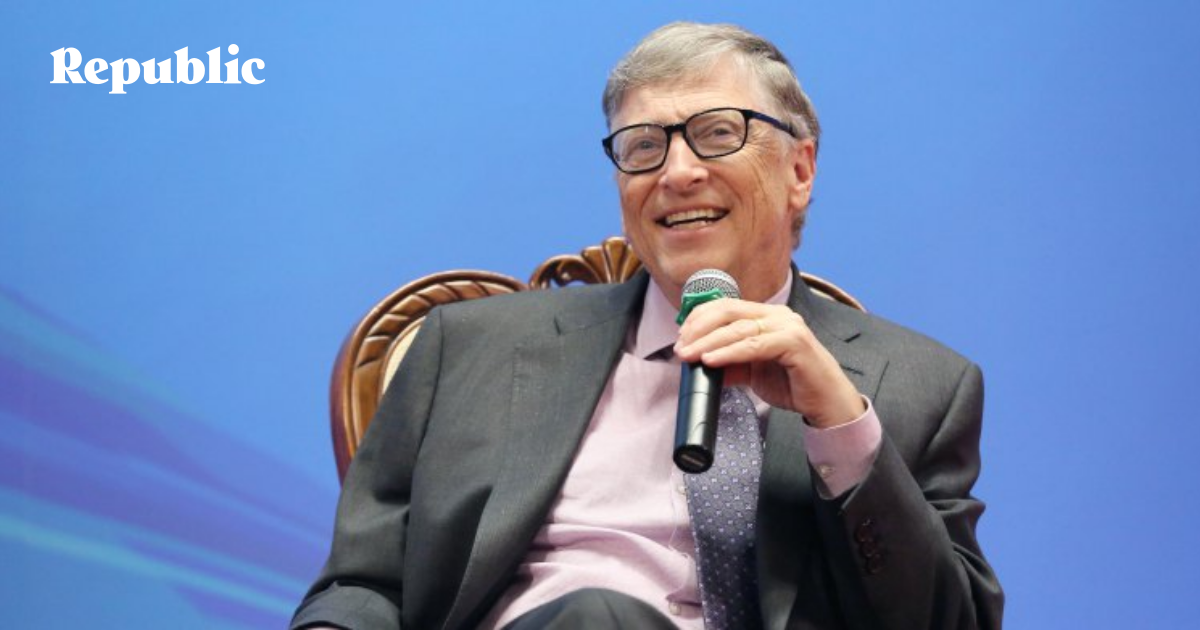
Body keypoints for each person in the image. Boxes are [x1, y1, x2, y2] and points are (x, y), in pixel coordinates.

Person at [292, 21, 1003, 630]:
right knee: (598, 616)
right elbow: (363, 586)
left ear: (800, 169)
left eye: (718, 134)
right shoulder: (468, 347)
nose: (677, 172)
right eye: (642, 146)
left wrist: (841, 427)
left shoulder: (920, 387)